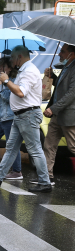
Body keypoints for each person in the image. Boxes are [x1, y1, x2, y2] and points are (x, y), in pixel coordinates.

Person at [0, 45, 52, 192]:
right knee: (11, 149)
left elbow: (20, 92)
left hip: (28, 115)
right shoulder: (23, 71)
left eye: (13, 57)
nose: (11, 60)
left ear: (20, 57)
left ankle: (45, 182)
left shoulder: (29, 71)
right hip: (20, 116)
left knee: (35, 149)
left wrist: (7, 81)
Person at [41, 43, 75, 186]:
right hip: (57, 116)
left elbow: (71, 94)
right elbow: (61, 87)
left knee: (73, 147)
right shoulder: (66, 67)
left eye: (63, 51)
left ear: (71, 54)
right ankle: (47, 177)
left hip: (68, 116)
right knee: (49, 145)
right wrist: (51, 77)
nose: (60, 54)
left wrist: (53, 108)